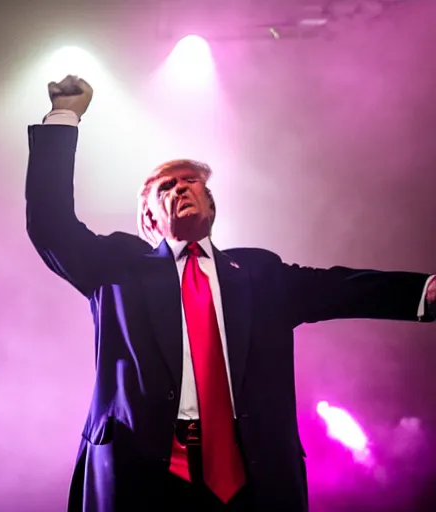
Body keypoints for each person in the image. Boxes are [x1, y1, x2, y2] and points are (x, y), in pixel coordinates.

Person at [25, 75, 436, 512]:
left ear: (212, 204)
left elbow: (338, 288)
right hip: (143, 476)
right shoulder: (117, 269)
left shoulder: (258, 272)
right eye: (166, 188)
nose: (181, 188)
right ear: (149, 218)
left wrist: (424, 291)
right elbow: (52, 227)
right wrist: (65, 116)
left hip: (249, 480)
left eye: (190, 182)